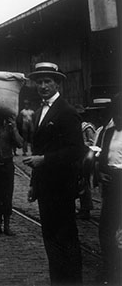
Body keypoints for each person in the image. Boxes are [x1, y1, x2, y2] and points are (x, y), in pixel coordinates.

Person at [23, 62, 83, 285]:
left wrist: (45, 160)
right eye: (39, 82)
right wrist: (33, 184)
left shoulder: (67, 112)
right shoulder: (39, 112)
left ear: (57, 84)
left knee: (66, 239)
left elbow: (77, 150)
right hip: (45, 187)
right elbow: (39, 150)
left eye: (48, 81)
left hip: (62, 186)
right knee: (50, 238)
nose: (43, 85)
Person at [94, 93, 121, 285]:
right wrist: (99, 172)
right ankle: (109, 267)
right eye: (117, 113)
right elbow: (100, 156)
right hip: (111, 183)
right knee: (106, 229)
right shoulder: (108, 132)